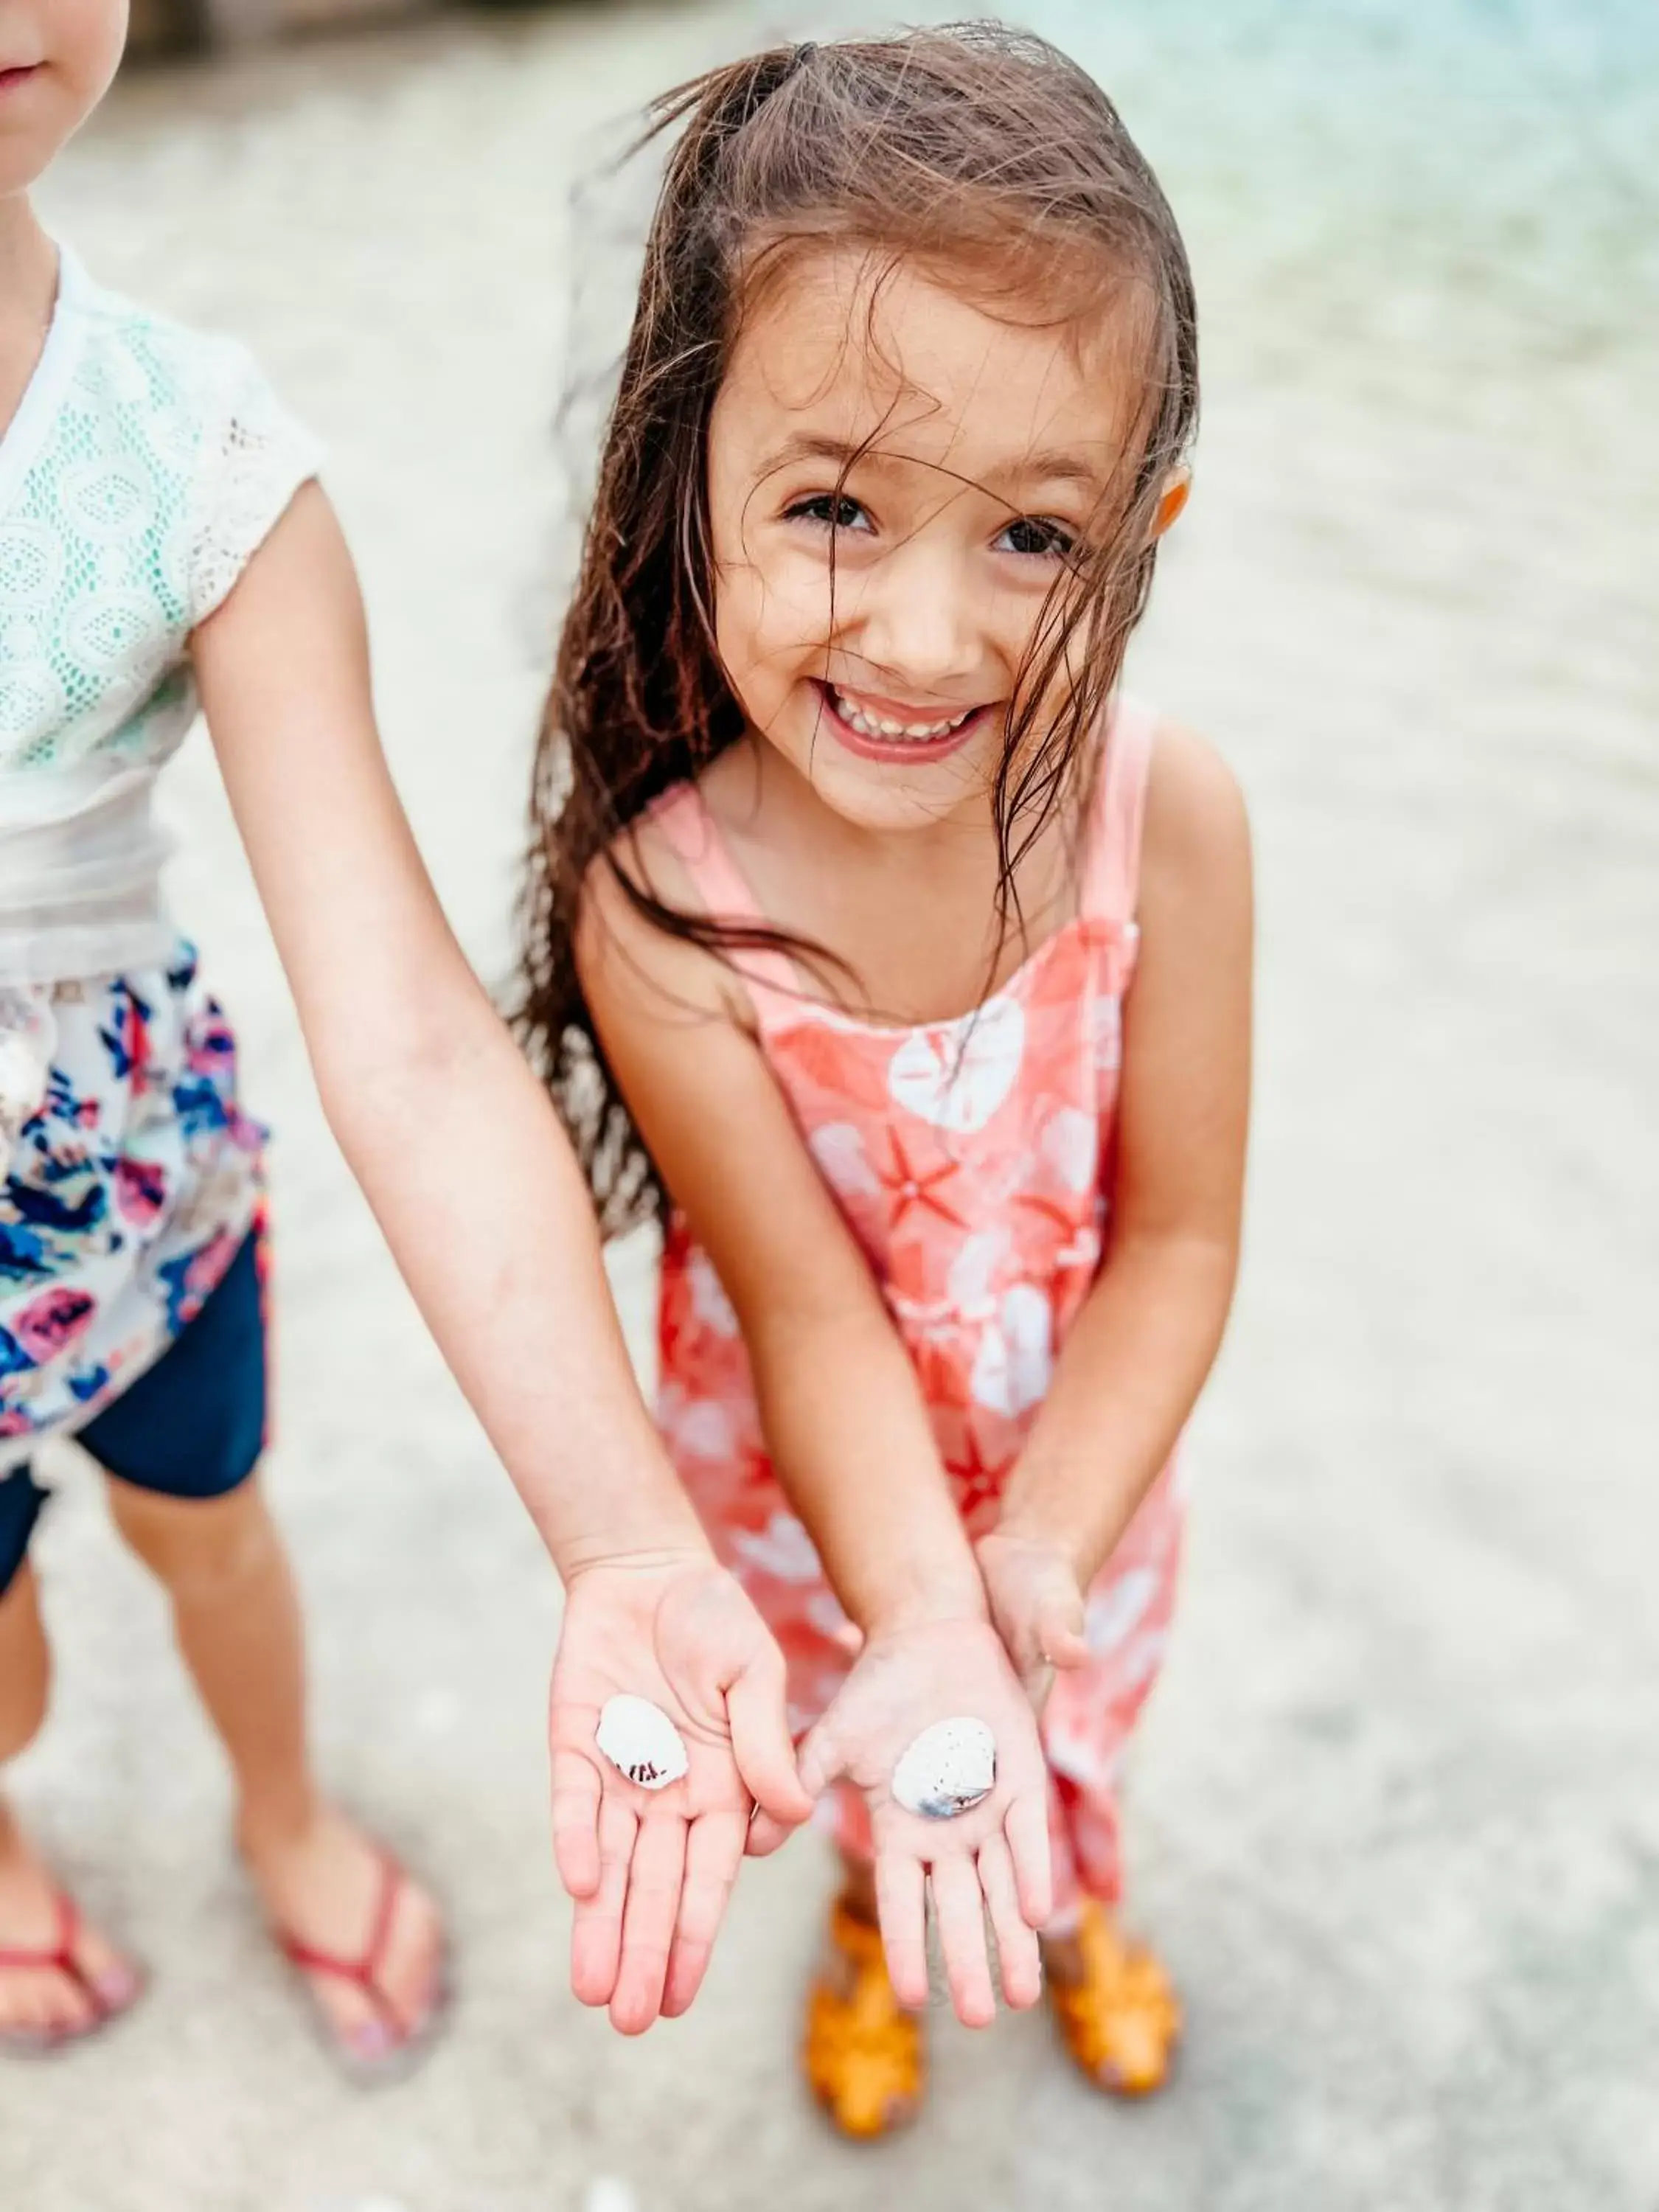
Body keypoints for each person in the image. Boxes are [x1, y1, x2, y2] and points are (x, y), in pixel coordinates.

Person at [0, 0, 807, 2070]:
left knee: (217, 1536)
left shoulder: (192, 459)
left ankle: (284, 1810)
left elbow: (413, 1039)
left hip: (118, 1202)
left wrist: (622, 1529)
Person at [518, 27, 1253, 2136]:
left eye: (1033, 537)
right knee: (885, 1746)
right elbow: (809, 1310)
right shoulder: (671, 913)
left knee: (1067, 1729)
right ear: (692, 479)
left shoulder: (1163, 823)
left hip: (1080, 1476)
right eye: (834, 505)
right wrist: (927, 1606)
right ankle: (874, 1932)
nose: (925, 639)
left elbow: (1183, 1243)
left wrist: (1027, 1570)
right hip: (803, 1494)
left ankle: (1081, 1899)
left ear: (1146, 525)